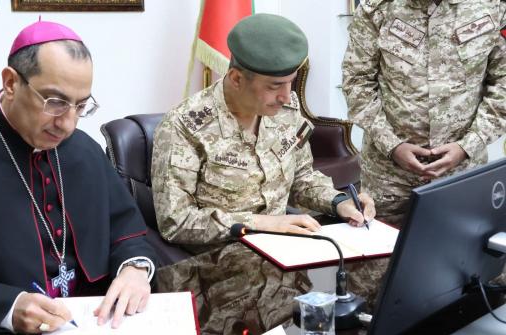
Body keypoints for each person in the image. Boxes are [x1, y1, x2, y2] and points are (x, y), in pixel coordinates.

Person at [0, 20, 157, 335]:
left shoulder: (82, 149)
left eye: (81, 105)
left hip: (99, 329)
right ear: (11, 83)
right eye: (55, 102)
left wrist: (135, 269)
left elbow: (126, 230)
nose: (68, 124)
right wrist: (8, 308)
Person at [151, 13, 375, 252]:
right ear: (237, 79)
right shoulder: (184, 126)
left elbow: (302, 177)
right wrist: (260, 223)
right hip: (220, 262)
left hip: (284, 253)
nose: (286, 96)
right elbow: (175, 221)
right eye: (274, 86)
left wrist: (339, 201)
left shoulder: (287, 110)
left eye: (290, 82)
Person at [342, 0, 506, 226]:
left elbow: (503, 84)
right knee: (381, 248)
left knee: (457, 247)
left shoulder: (493, 6)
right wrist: (392, 145)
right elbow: (357, 83)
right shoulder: (378, 7)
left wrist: (468, 146)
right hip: (388, 180)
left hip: (461, 175)